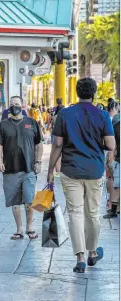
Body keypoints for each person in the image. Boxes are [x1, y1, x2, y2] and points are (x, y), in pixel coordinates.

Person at [47, 77, 115, 273]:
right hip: (94, 170)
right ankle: (93, 251)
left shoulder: (65, 114)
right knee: (92, 213)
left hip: (70, 170)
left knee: (75, 213)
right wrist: (96, 143)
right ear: (93, 93)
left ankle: (80, 258)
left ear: (77, 93)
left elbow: (58, 144)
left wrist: (51, 170)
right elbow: (110, 145)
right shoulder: (102, 115)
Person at [0, 96, 43, 240]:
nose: (14, 106)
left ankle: (30, 227)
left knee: (29, 200)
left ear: (22, 106)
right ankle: (19, 229)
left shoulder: (31, 123)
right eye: (11, 104)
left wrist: (38, 161)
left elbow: (38, 144)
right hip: (10, 168)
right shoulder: (3, 125)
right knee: (15, 202)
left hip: (28, 169)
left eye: (17, 104)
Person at [103, 113, 120, 218]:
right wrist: (110, 159)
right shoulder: (117, 126)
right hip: (119, 161)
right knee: (117, 185)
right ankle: (113, 209)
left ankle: (114, 209)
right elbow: (114, 145)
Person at [51, 105, 64, 177]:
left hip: (54, 135)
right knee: (60, 155)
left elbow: (52, 125)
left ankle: (58, 171)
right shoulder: (64, 116)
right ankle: (59, 171)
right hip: (62, 136)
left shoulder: (55, 117)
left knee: (57, 153)